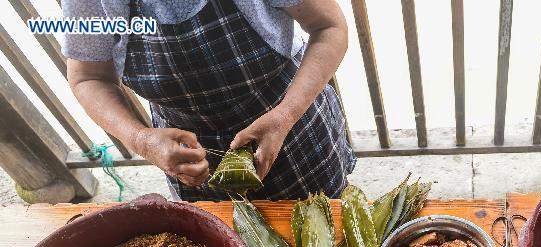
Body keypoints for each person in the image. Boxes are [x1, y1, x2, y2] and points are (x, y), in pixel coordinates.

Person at [63, 0, 355, 201]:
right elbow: (88, 78)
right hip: (193, 158)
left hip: (291, 130)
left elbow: (329, 28)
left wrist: (286, 115)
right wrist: (141, 139)